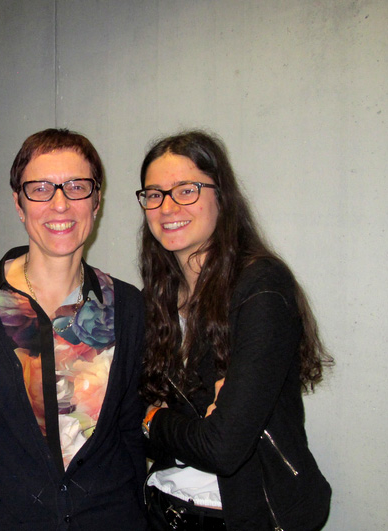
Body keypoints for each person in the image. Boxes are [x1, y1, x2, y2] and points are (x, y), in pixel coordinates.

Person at [136, 130, 332, 530]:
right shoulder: (154, 298)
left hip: (243, 516)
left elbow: (223, 448)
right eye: (154, 194)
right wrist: (179, 422)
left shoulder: (261, 287)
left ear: (221, 196)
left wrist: (152, 419)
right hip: (162, 505)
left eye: (186, 190)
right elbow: (114, 417)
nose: (167, 207)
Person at [0, 129, 147, 530]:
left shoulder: (127, 306)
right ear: (19, 204)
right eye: (41, 189)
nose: (60, 203)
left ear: (96, 201)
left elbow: (129, 432)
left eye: (77, 187)